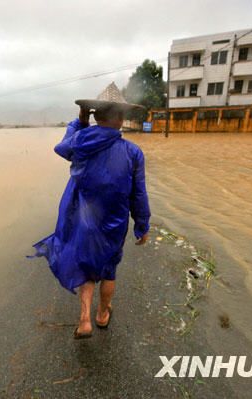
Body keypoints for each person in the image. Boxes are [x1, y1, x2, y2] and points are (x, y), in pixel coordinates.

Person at [29, 102, 151, 339]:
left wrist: (80, 123)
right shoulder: (133, 152)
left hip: (85, 218)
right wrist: (142, 225)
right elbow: (139, 193)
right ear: (121, 118)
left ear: (95, 116)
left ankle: (84, 320)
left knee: (87, 265)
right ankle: (102, 315)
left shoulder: (80, 143)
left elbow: (62, 148)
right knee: (109, 268)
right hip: (115, 221)